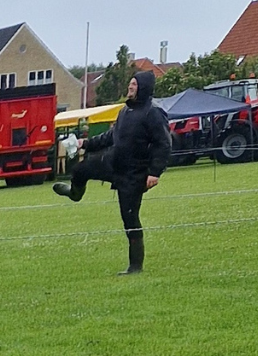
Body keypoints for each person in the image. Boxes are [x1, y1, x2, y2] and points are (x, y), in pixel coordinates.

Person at [56, 69, 173, 275]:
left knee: (129, 218)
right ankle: (74, 194)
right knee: (81, 169)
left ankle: (135, 266)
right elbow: (111, 137)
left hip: (134, 174)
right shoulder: (124, 111)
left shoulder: (153, 113)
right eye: (130, 83)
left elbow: (163, 144)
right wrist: (85, 143)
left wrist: (155, 172)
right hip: (113, 163)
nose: (130, 86)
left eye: (134, 84)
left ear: (143, 88)